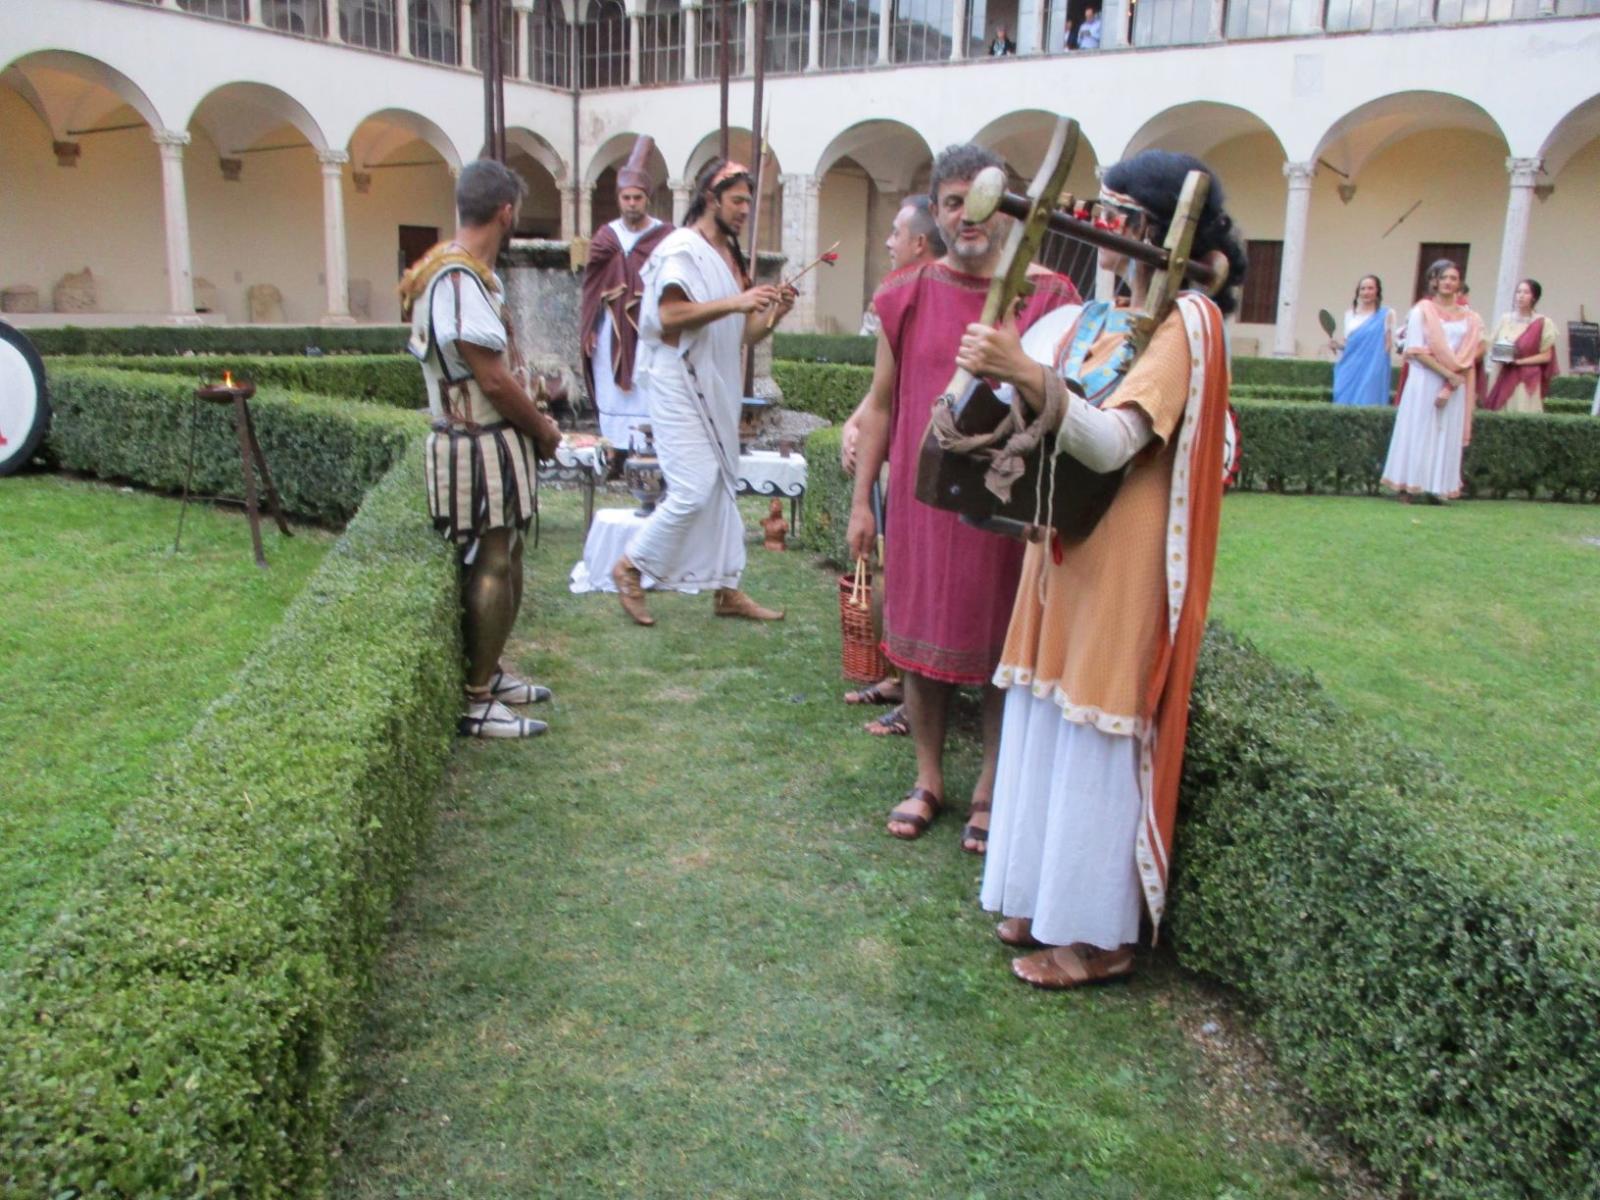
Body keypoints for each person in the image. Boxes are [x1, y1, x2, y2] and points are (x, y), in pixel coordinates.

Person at [956, 148, 1245, 988]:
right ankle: (1041, 897)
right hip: (1065, 540)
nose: (1099, 225)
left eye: (1116, 213)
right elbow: (1058, 415)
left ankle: (1097, 938)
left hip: (1124, 552)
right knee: (1048, 712)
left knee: (1094, 725)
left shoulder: (1189, 322)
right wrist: (1008, 382)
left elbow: (1116, 440)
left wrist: (1025, 371)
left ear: (1155, 228)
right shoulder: (1099, 314)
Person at [846, 143, 1080, 852]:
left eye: (981, 202)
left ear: (1009, 209)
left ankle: (989, 785)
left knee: (1004, 644)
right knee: (919, 644)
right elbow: (881, 405)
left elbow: (1071, 400)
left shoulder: (1052, 298)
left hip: (1008, 504)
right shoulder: (905, 293)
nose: (967, 216)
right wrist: (861, 503)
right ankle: (928, 780)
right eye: (952, 203)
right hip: (923, 505)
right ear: (937, 212)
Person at [400, 159, 564, 739]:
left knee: (508, 553)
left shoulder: (454, 274)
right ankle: (476, 699)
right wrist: (544, 430)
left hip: (486, 437)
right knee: (493, 559)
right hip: (476, 440)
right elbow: (491, 380)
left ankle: (489, 673)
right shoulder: (456, 280)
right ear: (506, 213)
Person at [610, 157, 796, 626]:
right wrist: (737, 301)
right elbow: (668, 316)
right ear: (711, 199)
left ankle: (726, 588)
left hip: (716, 383)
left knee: (721, 486)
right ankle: (630, 566)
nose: (745, 210)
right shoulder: (681, 248)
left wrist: (775, 312)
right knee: (694, 489)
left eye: (749, 202)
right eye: (737, 201)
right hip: (678, 379)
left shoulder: (729, 258)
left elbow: (744, 334)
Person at [840, 195, 947, 738]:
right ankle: (900, 681)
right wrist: (857, 422)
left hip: (925, 462)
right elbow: (885, 385)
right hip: (901, 453)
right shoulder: (900, 294)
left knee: (916, 579)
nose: (887, 242)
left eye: (896, 233)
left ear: (920, 242)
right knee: (892, 569)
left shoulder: (933, 295)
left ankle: (915, 696)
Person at [580, 136, 674, 472]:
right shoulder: (606, 237)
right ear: (619, 199)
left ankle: (649, 447)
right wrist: (590, 328)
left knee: (647, 385)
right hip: (610, 327)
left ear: (647, 198)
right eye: (626, 198)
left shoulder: (665, 236)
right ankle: (614, 449)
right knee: (611, 386)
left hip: (649, 328)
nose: (632, 203)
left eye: (637, 197)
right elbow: (591, 287)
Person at [1381, 259, 1484, 503]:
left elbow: (1474, 349)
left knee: (1446, 431)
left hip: (1455, 383)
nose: (1448, 282)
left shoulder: (1470, 318)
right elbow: (1416, 350)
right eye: (1443, 277)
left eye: (1453, 278)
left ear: (1459, 284)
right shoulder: (1422, 311)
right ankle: (1408, 485)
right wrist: (1447, 374)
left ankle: (1438, 487)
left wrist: (1454, 378)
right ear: (1434, 281)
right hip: (1425, 379)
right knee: (1418, 430)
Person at [1482, 278, 1558, 413]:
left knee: (1521, 409)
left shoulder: (1543, 322)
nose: (1521, 296)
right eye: (1518, 292)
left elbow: (1546, 356)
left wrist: (1518, 362)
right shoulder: (1505, 319)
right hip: (1502, 371)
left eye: (1526, 292)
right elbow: (1492, 344)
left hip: (1526, 376)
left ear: (1534, 297)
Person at [1331, 274, 1394, 406]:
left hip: (1373, 368)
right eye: (1363, 288)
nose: (1366, 292)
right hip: (1349, 367)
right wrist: (1337, 345)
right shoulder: (1349, 315)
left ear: (1377, 291)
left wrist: (1378, 369)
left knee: (1367, 401)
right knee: (1343, 403)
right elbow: (1348, 343)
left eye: (1370, 288)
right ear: (1358, 292)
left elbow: (1388, 345)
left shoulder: (1387, 314)